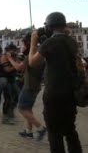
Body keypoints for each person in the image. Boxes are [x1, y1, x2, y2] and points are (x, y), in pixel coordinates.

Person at [29, 12, 82, 152]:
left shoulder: (50, 42)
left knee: (54, 133)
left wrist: (34, 41)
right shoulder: (71, 41)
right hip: (70, 93)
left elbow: (32, 62)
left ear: (49, 26)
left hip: (54, 94)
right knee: (70, 131)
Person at [6, 33, 46, 140]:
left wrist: (10, 59)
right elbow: (25, 67)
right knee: (27, 108)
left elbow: (19, 68)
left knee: (22, 108)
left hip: (29, 86)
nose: (23, 46)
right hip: (35, 86)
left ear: (29, 43)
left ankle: (40, 128)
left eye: (24, 44)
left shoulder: (31, 55)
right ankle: (28, 132)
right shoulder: (39, 54)